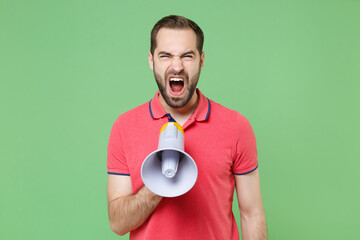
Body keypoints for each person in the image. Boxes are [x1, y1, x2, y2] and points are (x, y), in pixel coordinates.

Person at [107, 15, 267, 240]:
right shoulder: (124, 127)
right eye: (166, 56)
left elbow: (252, 215)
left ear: (201, 60)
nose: (177, 66)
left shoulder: (236, 127)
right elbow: (118, 223)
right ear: (151, 60)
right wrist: (159, 182)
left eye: (187, 56)